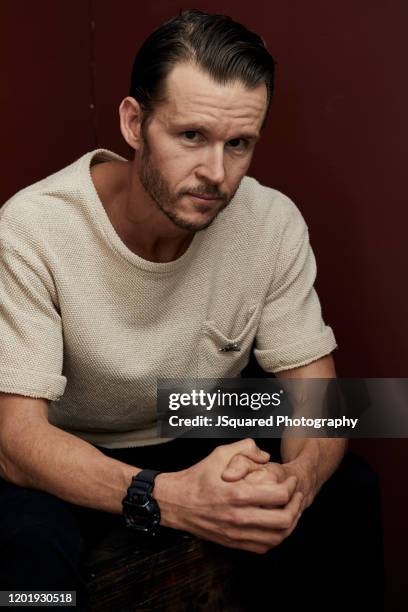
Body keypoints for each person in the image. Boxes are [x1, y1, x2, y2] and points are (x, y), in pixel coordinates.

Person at [0, 9, 383, 611]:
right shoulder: (33, 229)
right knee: (28, 554)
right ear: (134, 122)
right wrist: (169, 497)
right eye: (190, 137)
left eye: (239, 144)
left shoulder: (270, 221)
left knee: (349, 484)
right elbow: (17, 438)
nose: (216, 173)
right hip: (70, 444)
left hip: (191, 413)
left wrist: (294, 485)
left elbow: (320, 401)